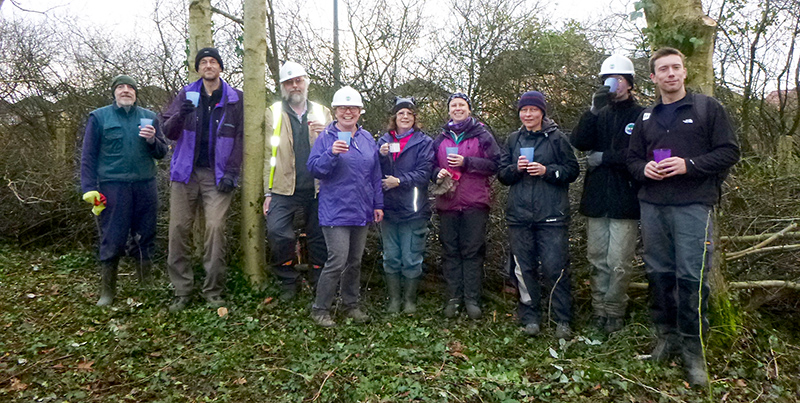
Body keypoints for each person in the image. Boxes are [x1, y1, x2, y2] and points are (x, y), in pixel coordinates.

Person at [627, 47, 739, 387]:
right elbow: (631, 161)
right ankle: (666, 336)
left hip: (692, 204)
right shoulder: (647, 118)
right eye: (664, 69)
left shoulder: (708, 108)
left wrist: (688, 165)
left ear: (685, 72)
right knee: (658, 273)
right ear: (654, 77)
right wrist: (644, 168)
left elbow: (729, 151)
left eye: (676, 67)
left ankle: (694, 351)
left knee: (691, 277)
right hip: (653, 205)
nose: (671, 74)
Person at [162, 47, 244, 311]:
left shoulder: (235, 99)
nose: (209, 65)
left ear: (220, 67)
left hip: (217, 175)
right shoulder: (186, 94)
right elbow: (168, 132)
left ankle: (213, 289)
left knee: (216, 228)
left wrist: (232, 172)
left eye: (213, 61)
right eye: (204, 62)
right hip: (185, 173)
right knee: (178, 230)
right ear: (198, 68)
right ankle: (182, 289)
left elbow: (242, 138)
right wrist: (180, 114)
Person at [571, 55, 645, 334]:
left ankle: (615, 310)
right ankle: (599, 308)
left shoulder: (640, 115)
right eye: (607, 81)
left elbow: (640, 154)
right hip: (596, 198)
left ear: (629, 83)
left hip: (625, 199)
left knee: (619, 262)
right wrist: (591, 110)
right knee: (597, 258)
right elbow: (578, 141)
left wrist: (606, 158)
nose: (613, 85)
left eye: (618, 80)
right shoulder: (599, 114)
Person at [80, 74, 168, 306]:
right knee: (113, 237)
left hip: (145, 186)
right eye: (121, 87)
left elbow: (162, 152)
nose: (126, 90)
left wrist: (152, 141)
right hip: (113, 186)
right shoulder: (99, 117)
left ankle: (145, 284)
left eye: (130, 87)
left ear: (136, 93)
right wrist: (89, 188)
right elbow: (88, 156)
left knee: (145, 235)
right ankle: (107, 292)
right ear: (114, 93)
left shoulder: (149, 117)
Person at [498, 91, 579, 339]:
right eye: (524, 110)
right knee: (523, 269)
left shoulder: (557, 138)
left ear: (542, 112)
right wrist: (515, 168)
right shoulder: (513, 139)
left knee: (555, 267)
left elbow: (572, 170)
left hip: (551, 215)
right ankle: (530, 317)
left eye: (533, 110)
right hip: (519, 216)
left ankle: (562, 319)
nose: (528, 114)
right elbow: (502, 175)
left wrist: (547, 171)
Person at [307, 86, 383, 327]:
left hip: (361, 209)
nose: (348, 112)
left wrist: (377, 204)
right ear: (335, 111)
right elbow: (314, 169)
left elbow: (375, 174)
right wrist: (331, 153)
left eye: (353, 108)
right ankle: (320, 309)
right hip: (335, 210)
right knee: (337, 260)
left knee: (355, 261)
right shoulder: (326, 138)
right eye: (343, 108)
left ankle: (351, 305)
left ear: (360, 112)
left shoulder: (367, 138)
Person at [263, 61, 333, 301]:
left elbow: (336, 148)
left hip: (318, 187)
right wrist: (268, 192)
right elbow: (267, 155)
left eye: (298, 80)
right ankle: (288, 280)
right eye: (289, 82)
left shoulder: (323, 111)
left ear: (306, 82)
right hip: (283, 186)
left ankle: (318, 281)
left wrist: (328, 133)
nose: (295, 85)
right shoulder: (273, 112)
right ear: (282, 86)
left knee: (319, 237)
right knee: (278, 233)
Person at [432, 92, 501, 320]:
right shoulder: (441, 137)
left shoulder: (482, 134)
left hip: (475, 202)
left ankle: (472, 299)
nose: (458, 108)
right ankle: (454, 298)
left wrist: (467, 162)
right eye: (454, 105)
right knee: (450, 251)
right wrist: (436, 173)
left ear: (469, 109)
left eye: (462, 105)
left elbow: (496, 164)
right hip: (448, 203)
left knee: (472, 252)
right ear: (449, 110)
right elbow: (430, 165)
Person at [377, 97, 434, 314]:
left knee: (411, 257)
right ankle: (394, 299)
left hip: (414, 210)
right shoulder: (383, 141)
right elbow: (373, 171)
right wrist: (379, 156)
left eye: (409, 114)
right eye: (401, 113)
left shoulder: (424, 142)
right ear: (394, 117)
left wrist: (400, 181)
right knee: (391, 256)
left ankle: (410, 301)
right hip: (388, 209)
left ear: (415, 118)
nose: (405, 117)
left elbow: (424, 173)